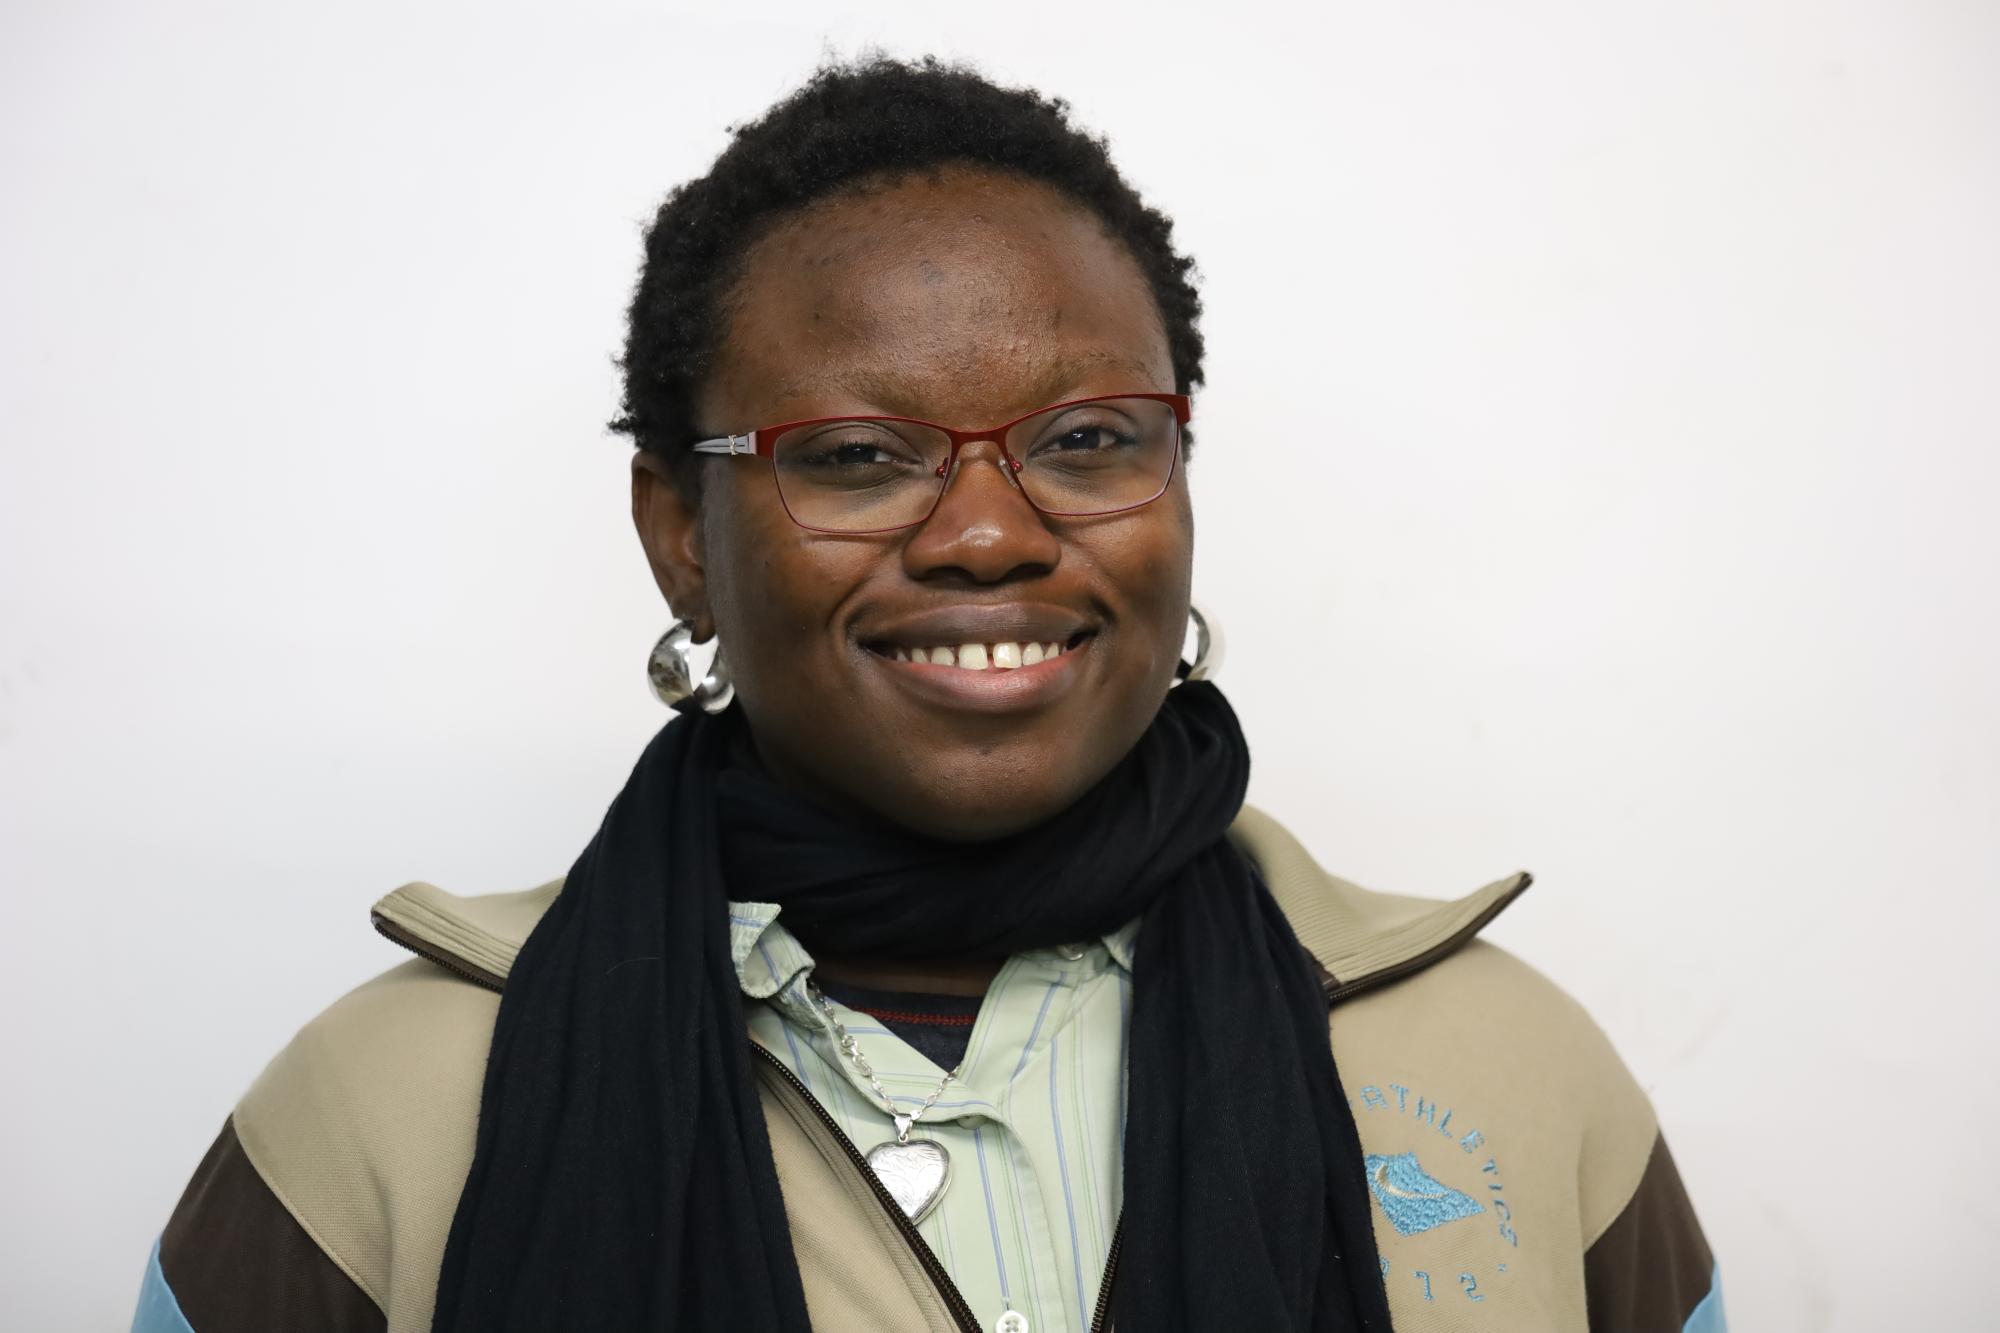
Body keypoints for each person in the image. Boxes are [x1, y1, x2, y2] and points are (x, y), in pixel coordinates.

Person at [131, 57, 1724, 1333]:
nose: (986, 532)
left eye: (1090, 438)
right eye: (855, 455)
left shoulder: (1505, 1070)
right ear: (682, 536)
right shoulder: (372, 1121)